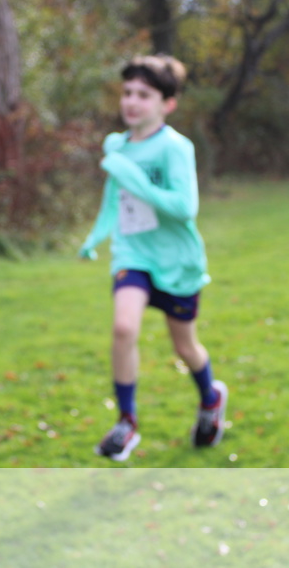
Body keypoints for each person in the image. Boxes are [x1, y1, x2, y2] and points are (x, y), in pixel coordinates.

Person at [79, 54, 226, 461]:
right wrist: (95, 237)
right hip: (133, 253)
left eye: (144, 95)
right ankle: (126, 422)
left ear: (167, 104)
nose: (131, 101)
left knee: (185, 348)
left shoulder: (175, 148)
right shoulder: (117, 146)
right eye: (127, 92)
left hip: (177, 261)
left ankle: (210, 398)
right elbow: (114, 199)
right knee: (123, 328)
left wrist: (134, 177)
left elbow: (184, 208)